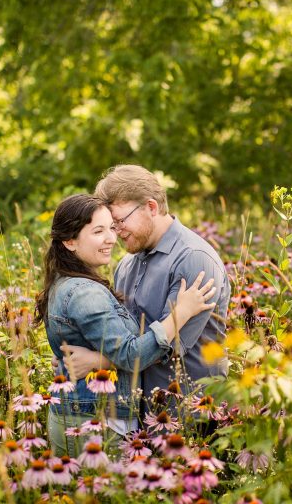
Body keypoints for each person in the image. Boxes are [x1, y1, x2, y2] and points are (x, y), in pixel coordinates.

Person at [34, 194, 216, 453]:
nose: (111, 238)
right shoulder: (84, 292)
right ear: (70, 241)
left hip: (85, 414)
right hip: (93, 419)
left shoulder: (69, 283)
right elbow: (131, 355)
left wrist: (100, 360)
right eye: (98, 231)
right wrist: (181, 313)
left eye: (111, 227)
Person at [64, 165, 230, 407]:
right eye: (111, 225)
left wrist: (99, 360)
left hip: (191, 416)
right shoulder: (126, 265)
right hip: (139, 418)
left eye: (119, 221)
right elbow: (122, 337)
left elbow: (169, 349)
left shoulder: (194, 259)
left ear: (151, 207)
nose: (116, 233)